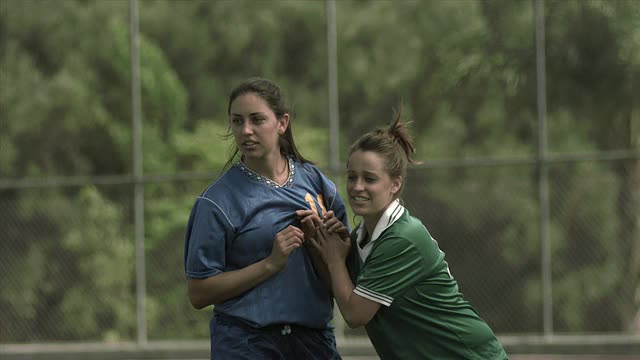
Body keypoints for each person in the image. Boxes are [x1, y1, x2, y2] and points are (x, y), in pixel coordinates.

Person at [306, 109, 508, 359]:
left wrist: (335, 259)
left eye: (369, 179)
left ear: (395, 184)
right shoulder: (362, 236)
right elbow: (339, 288)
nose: (357, 187)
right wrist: (318, 241)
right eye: (352, 177)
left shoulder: (402, 238)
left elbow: (355, 314)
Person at [183, 77, 349, 360]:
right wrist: (270, 264)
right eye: (237, 121)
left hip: (314, 341)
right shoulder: (217, 202)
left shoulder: (319, 186)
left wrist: (331, 246)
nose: (246, 130)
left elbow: (342, 270)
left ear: (282, 123)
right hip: (246, 344)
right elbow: (198, 293)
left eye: (257, 120)